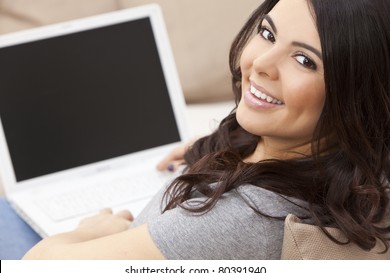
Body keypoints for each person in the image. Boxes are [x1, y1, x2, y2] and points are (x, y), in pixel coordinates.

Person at [1, 0, 390, 259]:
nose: (261, 64)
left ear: (359, 93)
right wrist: (207, 151)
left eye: (304, 60)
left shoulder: (236, 221)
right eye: (268, 33)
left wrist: (95, 229)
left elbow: (41, 265)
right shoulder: (371, 169)